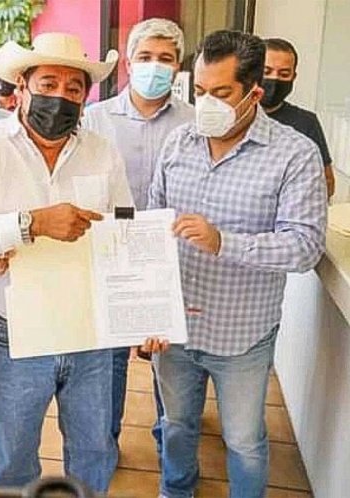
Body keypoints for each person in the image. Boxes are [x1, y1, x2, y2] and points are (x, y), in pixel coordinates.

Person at [0, 32, 168, 492]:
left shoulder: (102, 151)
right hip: (13, 332)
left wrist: (147, 311)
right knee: (15, 456)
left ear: (84, 97)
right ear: (21, 87)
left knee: (94, 450)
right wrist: (30, 223)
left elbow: (125, 228)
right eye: (48, 84)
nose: (60, 96)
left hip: (89, 330)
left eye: (73, 88)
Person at [148, 30, 327, 498]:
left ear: (254, 93)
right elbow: (152, 229)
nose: (207, 103)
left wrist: (224, 242)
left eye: (222, 92)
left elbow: (305, 246)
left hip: (241, 333)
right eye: (200, 90)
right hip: (176, 328)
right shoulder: (178, 143)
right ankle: (176, 491)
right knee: (177, 426)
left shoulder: (295, 154)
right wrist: (147, 311)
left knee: (245, 441)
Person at [83, 17, 194, 452]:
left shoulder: (193, 122)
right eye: (145, 57)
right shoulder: (95, 119)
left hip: (173, 255)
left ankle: (170, 443)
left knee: (170, 358)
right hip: (112, 253)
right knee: (110, 359)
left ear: (178, 65)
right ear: (129, 63)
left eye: (165, 58)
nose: (154, 65)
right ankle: (106, 443)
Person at [261, 37, 335, 198]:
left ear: (293, 77)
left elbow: (327, 182)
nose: (275, 79)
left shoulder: (306, 122)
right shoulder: (232, 116)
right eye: (266, 72)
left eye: (284, 74)